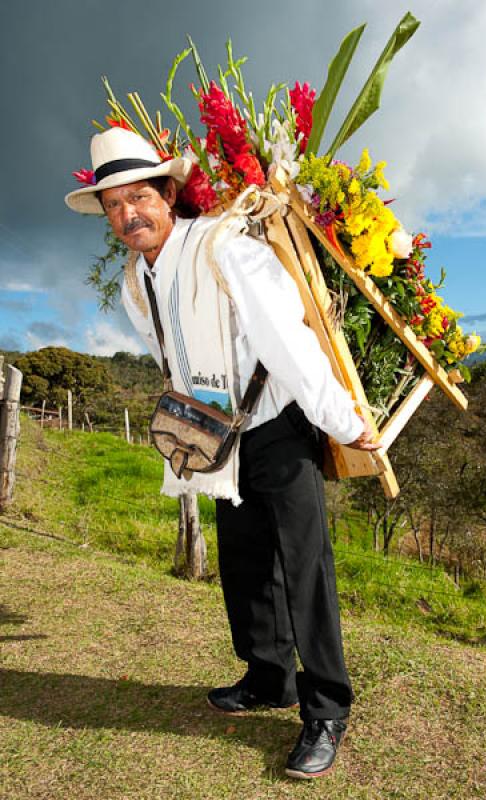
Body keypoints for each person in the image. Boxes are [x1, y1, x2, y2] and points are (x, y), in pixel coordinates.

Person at [66, 127, 379, 780]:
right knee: (243, 566)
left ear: (170, 192)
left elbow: (286, 337)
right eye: (115, 205)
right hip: (217, 438)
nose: (129, 215)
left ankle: (327, 709)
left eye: (140, 198)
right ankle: (270, 679)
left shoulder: (224, 244)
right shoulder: (135, 280)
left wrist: (342, 420)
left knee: (304, 570)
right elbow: (167, 351)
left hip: (278, 428)